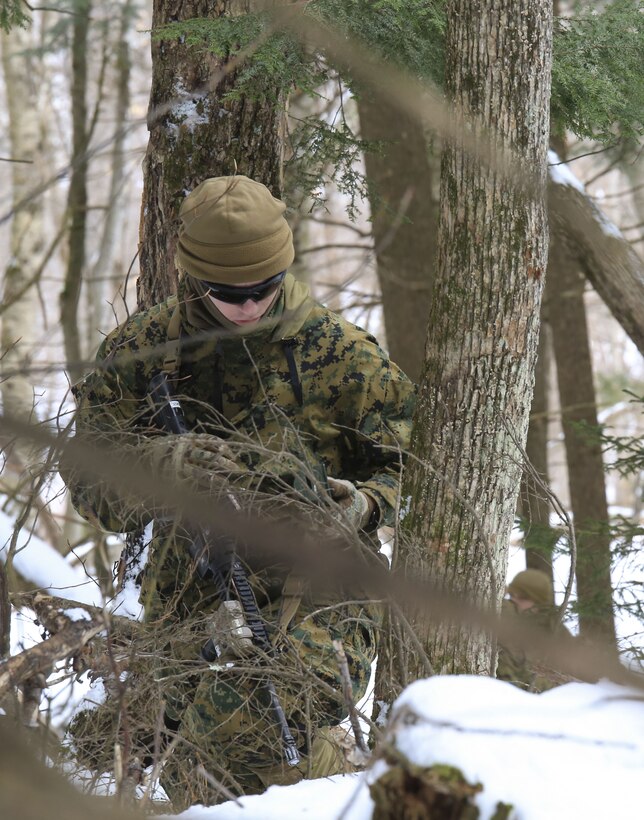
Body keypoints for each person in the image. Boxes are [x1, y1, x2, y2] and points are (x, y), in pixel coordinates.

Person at [62, 175, 415, 807]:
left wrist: (362, 506)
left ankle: (327, 767)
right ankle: (317, 769)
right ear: (195, 278)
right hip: (186, 603)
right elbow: (90, 484)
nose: (249, 307)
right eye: (230, 294)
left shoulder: (347, 358)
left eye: (264, 290)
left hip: (320, 602)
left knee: (225, 743)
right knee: (121, 753)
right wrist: (160, 466)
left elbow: (408, 471)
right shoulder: (142, 353)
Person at [497, 568, 573, 692]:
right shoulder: (504, 616)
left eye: (522, 597)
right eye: (511, 595)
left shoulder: (556, 632)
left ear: (538, 603)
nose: (513, 601)